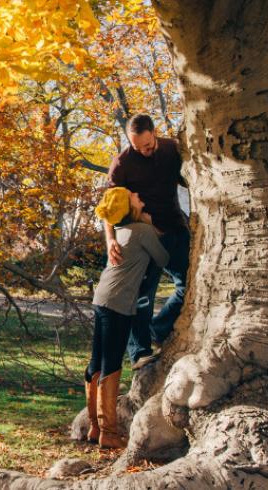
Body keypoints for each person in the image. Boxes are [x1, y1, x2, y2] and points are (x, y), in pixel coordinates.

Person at [85, 187, 169, 449]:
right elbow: (163, 258)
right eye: (132, 195)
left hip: (102, 298)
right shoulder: (141, 231)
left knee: (96, 362)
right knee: (110, 364)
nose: (137, 194)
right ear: (128, 206)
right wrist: (151, 226)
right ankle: (109, 433)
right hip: (118, 303)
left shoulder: (121, 232)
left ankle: (95, 427)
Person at [105, 114, 190, 370]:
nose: (144, 151)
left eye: (148, 145)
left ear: (154, 133)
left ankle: (158, 329)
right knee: (141, 297)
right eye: (136, 147)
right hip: (143, 235)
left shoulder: (172, 150)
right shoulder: (122, 164)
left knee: (188, 286)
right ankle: (140, 352)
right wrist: (110, 241)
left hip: (175, 229)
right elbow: (108, 208)